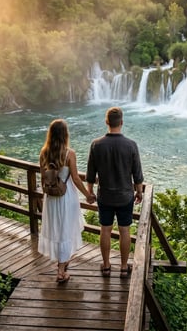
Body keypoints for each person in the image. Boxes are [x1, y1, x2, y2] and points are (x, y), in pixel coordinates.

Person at [86, 107, 144, 279]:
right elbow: (137, 175)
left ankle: (105, 265)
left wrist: (89, 193)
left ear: (107, 122)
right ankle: (124, 267)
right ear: (122, 122)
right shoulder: (131, 145)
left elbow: (90, 174)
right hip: (125, 196)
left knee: (105, 230)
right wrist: (139, 192)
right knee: (125, 231)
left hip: (105, 196)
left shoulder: (96, 144)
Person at [38, 119, 95, 283]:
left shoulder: (44, 153)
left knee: (57, 229)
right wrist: (87, 194)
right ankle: (61, 272)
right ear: (65, 134)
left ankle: (61, 262)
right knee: (65, 230)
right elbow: (76, 179)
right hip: (66, 196)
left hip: (51, 197)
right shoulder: (69, 154)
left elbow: (43, 176)